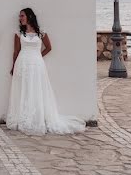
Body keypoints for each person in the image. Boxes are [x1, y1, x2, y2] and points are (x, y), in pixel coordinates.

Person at [6, 7, 85, 136]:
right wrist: (13, 66)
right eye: (19, 17)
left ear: (29, 17)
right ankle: (22, 117)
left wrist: (38, 56)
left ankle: (37, 117)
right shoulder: (18, 33)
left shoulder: (41, 32)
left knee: (36, 89)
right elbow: (16, 51)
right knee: (24, 89)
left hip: (37, 64)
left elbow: (49, 47)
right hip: (23, 64)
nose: (20, 19)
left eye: (22, 16)